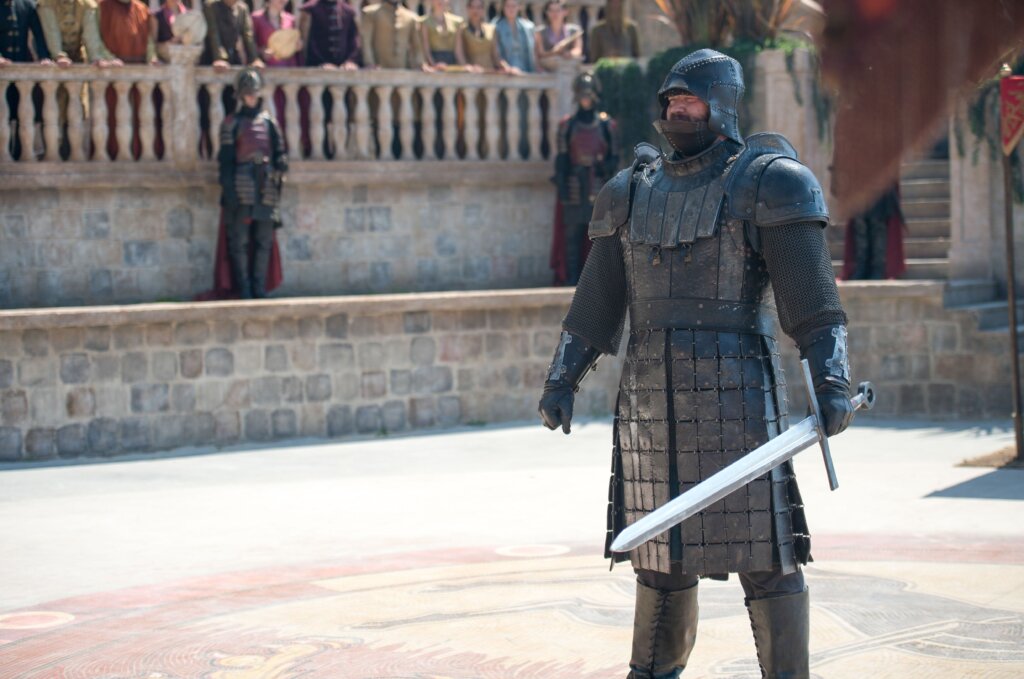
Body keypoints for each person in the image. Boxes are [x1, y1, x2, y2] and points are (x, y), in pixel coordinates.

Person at [537, 49, 856, 677]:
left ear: (723, 103)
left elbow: (813, 303)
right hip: (650, 409)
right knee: (661, 561)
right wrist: (562, 377)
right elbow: (596, 303)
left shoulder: (770, 182)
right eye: (671, 101)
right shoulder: (629, 191)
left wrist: (831, 378)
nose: (677, 110)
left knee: (768, 559)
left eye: (690, 99)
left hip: (741, 403)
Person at [218, 68, 288, 299]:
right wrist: (229, 191)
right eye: (247, 93)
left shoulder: (269, 123)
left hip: (266, 186)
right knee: (239, 241)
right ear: (240, 95)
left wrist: (281, 162)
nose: (251, 97)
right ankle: (245, 288)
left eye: (254, 92)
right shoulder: (231, 123)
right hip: (242, 186)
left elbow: (279, 151)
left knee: (264, 240)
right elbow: (226, 161)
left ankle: (259, 287)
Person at [551, 71, 617, 285]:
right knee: (572, 234)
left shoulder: (606, 125)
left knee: (599, 235)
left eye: (588, 95)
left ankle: (596, 281)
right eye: (582, 95)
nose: (585, 100)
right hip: (574, 185)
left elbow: (613, 158)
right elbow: (562, 158)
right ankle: (572, 278)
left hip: (598, 184)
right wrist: (562, 185)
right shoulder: (567, 125)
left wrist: (604, 169)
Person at [97, 0, 151, 159]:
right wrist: (109, 59)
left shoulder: (141, 9)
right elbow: (96, 40)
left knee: (142, 116)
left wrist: (152, 57)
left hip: (139, 71)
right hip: (114, 72)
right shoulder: (103, 7)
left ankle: (140, 154)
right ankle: (113, 154)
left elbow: (150, 40)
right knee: (112, 116)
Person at [1, 0, 51, 160]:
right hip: (2, 70)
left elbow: (39, 34)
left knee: (22, 114)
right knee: (3, 115)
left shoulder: (27, 5)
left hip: (22, 67)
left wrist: (44, 56)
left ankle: (19, 153)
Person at [841, 183, 907, 280]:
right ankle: (862, 267)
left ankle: (878, 268)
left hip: (878, 183)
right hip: (859, 184)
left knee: (877, 224)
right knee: (860, 225)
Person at [299, 0, 360, 70]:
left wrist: (350, 61)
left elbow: (354, 39)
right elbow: (307, 41)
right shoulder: (309, 10)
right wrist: (321, 63)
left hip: (344, 68)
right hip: (316, 67)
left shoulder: (348, 10)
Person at [202, 0, 263, 69]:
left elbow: (248, 35)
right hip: (211, 57)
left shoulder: (242, 8)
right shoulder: (211, 6)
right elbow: (213, 33)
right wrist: (219, 58)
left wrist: (254, 59)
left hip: (232, 56)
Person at [360, 0, 420, 70]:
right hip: (378, 69)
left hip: (401, 70)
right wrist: (369, 63)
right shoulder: (371, 13)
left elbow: (417, 46)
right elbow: (366, 41)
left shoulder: (410, 17)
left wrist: (421, 63)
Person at [534, 0, 582, 72]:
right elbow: (540, 53)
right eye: (551, 10)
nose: (555, 14)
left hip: (568, 68)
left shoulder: (574, 30)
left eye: (558, 10)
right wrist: (555, 52)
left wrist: (569, 53)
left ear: (565, 12)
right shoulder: (540, 32)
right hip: (547, 70)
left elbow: (578, 50)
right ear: (547, 13)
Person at [454, 0, 500, 73]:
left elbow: (496, 56)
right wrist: (466, 66)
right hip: (472, 74)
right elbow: (459, 53)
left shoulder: (491, 29)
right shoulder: (462, 30)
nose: (475, 11)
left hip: (489, 73)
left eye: (479, 7)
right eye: (472, 7)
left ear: (483, 10)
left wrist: (506, 68)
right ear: (468, 9)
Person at [253, 0, 300, 67]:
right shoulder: (256, 18)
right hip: (265, 68)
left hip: (288, 68)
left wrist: (297, 45)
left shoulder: (291, 20)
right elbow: (250, 45)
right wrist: (261, 53)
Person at [493, 0, 534, 74]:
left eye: (514, 6)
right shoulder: (496, 27)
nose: (511, 9)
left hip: (526, 71)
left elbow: (532, 52)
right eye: (508, 6)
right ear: (503, 8)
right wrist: (508, 68)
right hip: (507, 73)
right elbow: (496, 54)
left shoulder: (527, 27)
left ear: (519, 7)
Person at [420, 0, 462, 72]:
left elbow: (458, 51)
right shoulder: (425, 22)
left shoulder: (456, 22)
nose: (440, 1)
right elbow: (426, 49)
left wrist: (464, 66)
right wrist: (434, 65)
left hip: (451, 63)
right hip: (433, 63)